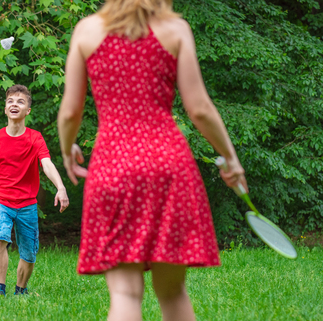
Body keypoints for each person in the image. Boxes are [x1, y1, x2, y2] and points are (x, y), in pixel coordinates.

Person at [57, 1, 247, 320]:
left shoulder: (87, 31)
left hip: (113, 165)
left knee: (125, 294)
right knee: (173, 293)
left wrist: (67, 150)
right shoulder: (175, 29)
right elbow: (199, 108)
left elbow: (70, 112)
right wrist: (230, 157)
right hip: (168, 165)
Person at [0, 84, 69, 298]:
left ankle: (21, 290)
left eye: (20, 102)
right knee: (0, 238)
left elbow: (47, 163)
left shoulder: (35, 138)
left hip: (27, 204)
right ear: (5, 109)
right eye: (10, 101)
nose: (15, 104)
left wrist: (60, 187)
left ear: (27, 111)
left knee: (29, 252)